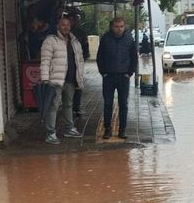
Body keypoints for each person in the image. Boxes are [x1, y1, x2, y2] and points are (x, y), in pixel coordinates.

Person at [39, 15, 85, 145]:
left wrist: (80, 78)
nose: (66, 27)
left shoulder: (75, 42)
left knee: (68, 105)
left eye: (68, 25)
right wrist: (45, 78)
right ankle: (50, 133)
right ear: (58, 26)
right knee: (53, 106)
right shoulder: (50, 41)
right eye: (63, 24)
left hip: (70, 80)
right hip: (55, 80)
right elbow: (45, 61)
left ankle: (69, 129)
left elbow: (80, 61)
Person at [96, 17, 138, 139]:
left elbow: (134, 58)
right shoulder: (105, 38)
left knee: (123, 104)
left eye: (121, 26)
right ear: (112, 27)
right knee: (108, 103)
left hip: (123, 77)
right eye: (116, 26)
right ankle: (107, 129)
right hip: (108, 76)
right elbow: (100, 57)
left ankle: (122, 130)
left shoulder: (129, 39)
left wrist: (129, 73)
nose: (119, 29)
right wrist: (103, 72)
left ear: (124, 27)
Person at [67, 14, 90, 119]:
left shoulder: (80, 33)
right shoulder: (60, 33)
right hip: (64, 64)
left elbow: (85, 48)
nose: (70, 22)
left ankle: (76, 107)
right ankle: (68, 106)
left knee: (78, 85)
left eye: (73, 20)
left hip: (77, 63)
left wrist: (82, 59)